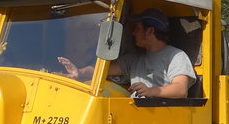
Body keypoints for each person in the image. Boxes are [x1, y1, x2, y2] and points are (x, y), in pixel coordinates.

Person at [60, 8, 195, 99]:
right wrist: (80, 72)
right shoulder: (133, 59)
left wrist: (151, 91)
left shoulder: (176, 56)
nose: (133, 33)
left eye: (137, 29)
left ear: (150, 31)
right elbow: (102, 71)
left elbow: (180, 89)